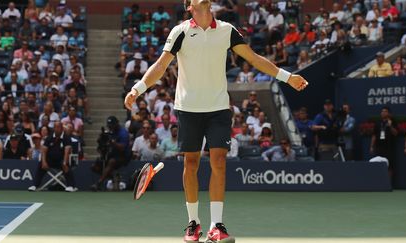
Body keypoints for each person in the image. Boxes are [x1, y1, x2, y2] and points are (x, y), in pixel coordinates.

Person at [123, 0, 307, 242]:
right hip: (188, 108)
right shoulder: (180, 32)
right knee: (191, 164)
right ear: (189, 6)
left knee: (219, 161)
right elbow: (160, 66)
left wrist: (287, 77)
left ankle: (216, 225)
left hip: (218, 108)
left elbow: (253, 58)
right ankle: (193, 223)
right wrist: (137, 89)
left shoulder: (227, 30)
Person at [28, 121, 76, 192]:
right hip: (50, 160)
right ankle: (35, 185)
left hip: (62, 160)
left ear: (62, 128)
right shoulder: (49, 137)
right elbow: (44, 150)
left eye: (58, 127)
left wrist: (65, 162)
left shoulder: (66, 138)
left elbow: (67, 150)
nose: (56, 129)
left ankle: (70, 186)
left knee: (67, 164)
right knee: (41, 164)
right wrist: (44, 161)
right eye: (55, 127)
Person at [91, 116, 130, 191]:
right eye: (109, 126)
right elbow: (101, 147)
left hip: (123, 156)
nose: (110, 127)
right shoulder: (110, 132)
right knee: (94, 167)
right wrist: (101, 140)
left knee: (111, 161)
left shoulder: (123, 133)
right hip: (112, 154)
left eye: (112, 126)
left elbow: (122, 148)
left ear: (116, 124)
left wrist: (112, 142)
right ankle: (113, 177)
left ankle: (99, 183)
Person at [370, 107, 398, 180]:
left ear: (389, 113)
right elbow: (374, 135)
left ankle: (389, 184)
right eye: (382, 111)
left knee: (389, 165)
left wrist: (390, 126)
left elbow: (395, 133)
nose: (383, 113)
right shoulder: (378, 123)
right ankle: (380, 183)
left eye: (385, 111)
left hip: (389, 146)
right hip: (379, 146)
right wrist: (372, 146)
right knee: (378, 164)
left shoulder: (393, 121)